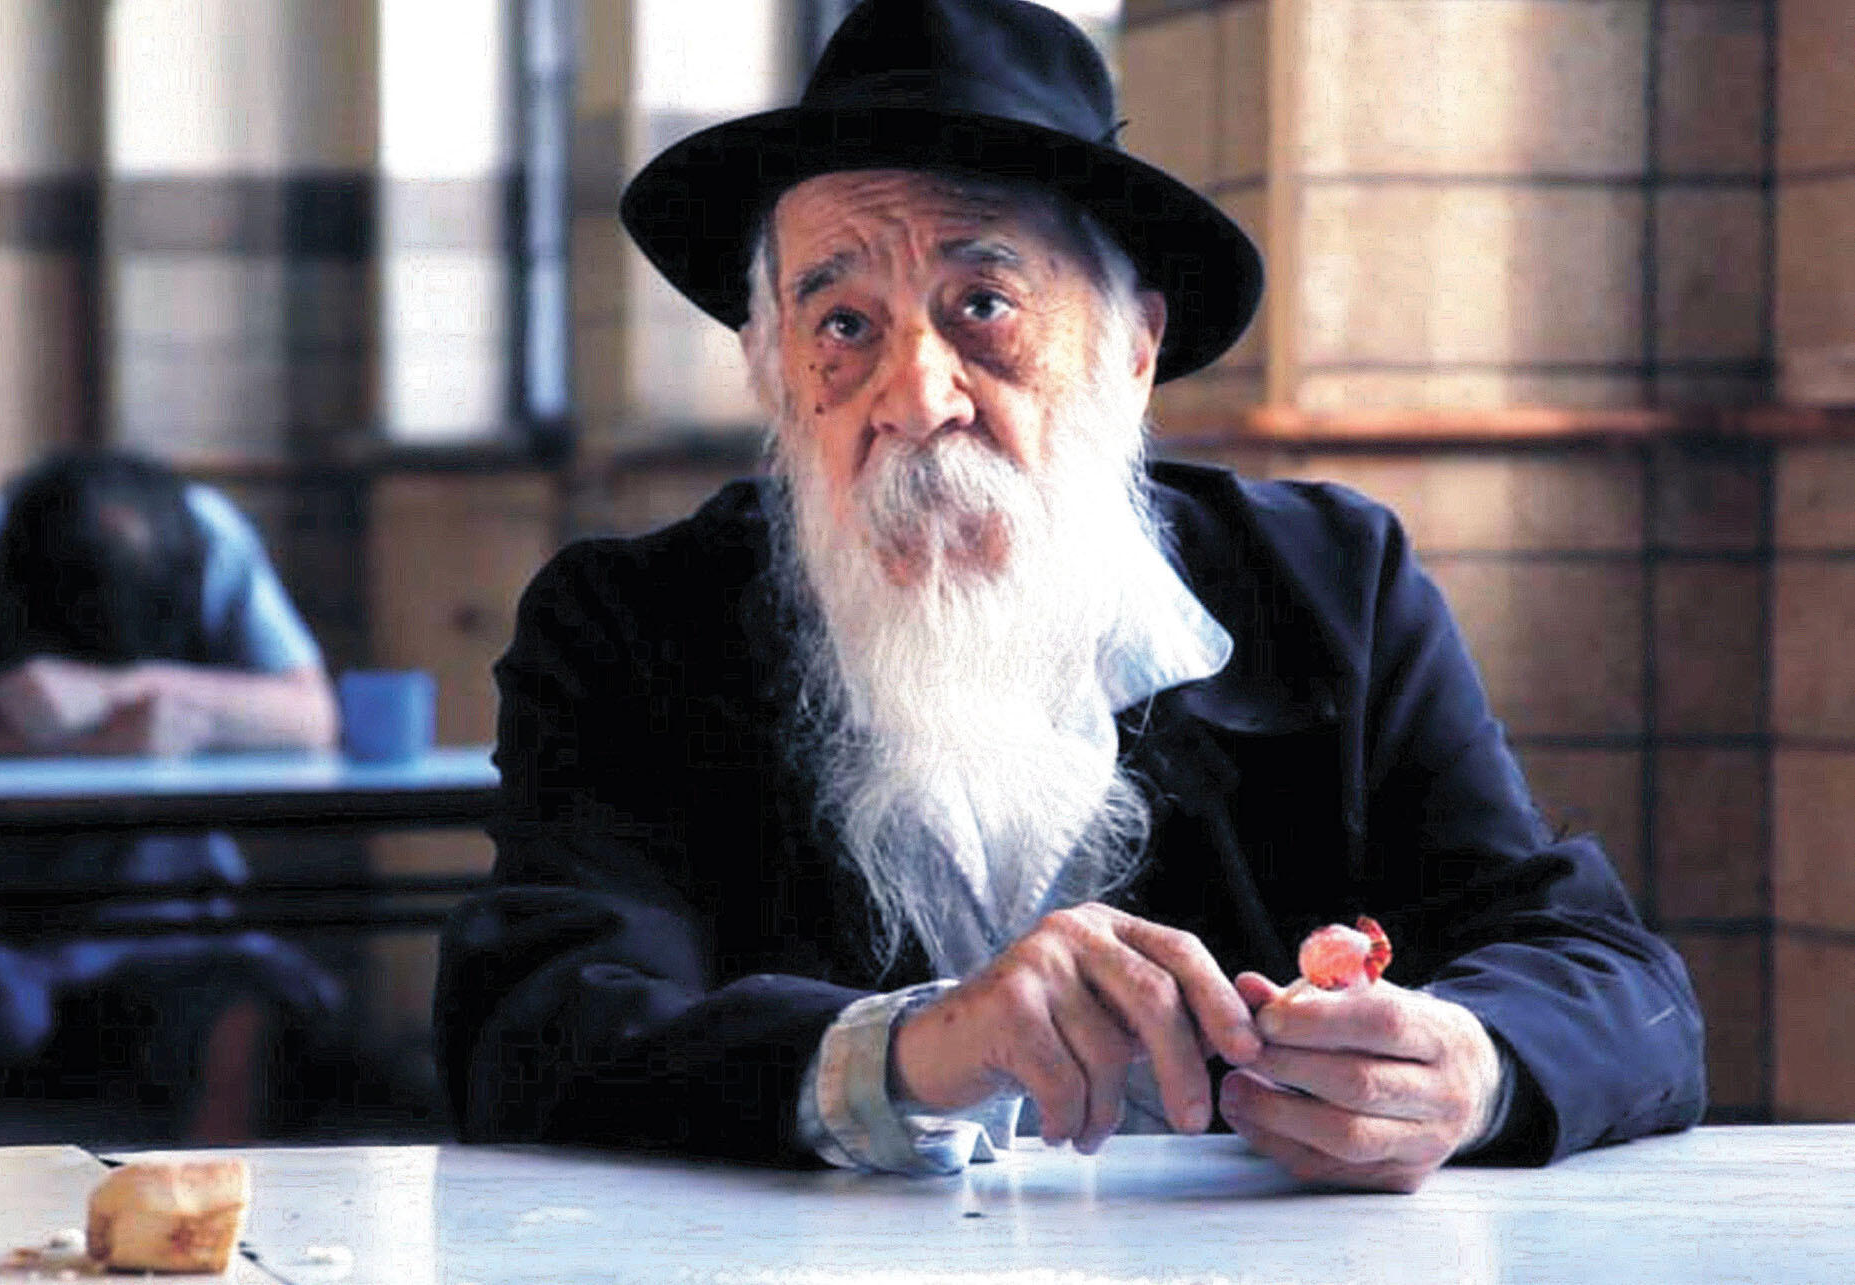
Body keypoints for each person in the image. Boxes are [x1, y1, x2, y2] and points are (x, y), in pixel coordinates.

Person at [436, 0, 1705, 1191]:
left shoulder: (1325, 586)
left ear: (1131, 346)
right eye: (841, 325)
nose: (915, 395)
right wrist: (914, 1049)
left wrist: (1471, 1069)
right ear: (773, 372)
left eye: (982, 304)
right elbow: (537, 1025)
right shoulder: (631, 623)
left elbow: (1608, 979)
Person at [0, 450, 342, 1146]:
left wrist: (132, 691)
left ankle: (204, 1233)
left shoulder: (211, 538)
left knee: (247, 1005)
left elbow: (311, 714)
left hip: (161, 915)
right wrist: (59, 742)